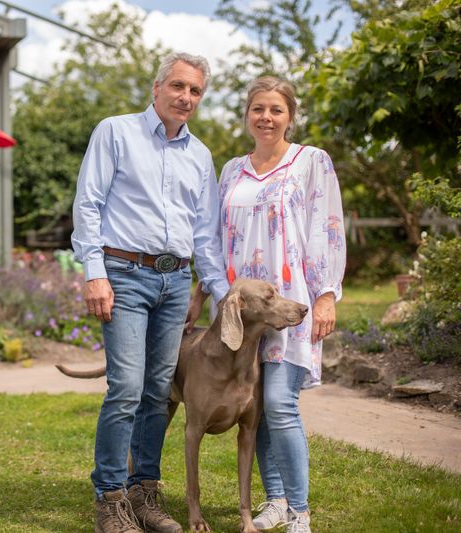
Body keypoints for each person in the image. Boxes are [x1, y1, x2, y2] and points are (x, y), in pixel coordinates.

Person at [71, 52, 229, 533]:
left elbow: (205, 235)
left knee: (158, 394)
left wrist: (222, 296)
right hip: (124, 274)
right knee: (125, 389)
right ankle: (110, 500)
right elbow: (89, 204)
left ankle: (144, 494)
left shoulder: (201, 156)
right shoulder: (115, 132)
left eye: (195, 91)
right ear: (156, 88)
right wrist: (95, 272)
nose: (186, 97)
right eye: (178, 86)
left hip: (175, 280)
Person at [216, 76, 346, 533]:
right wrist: (204, 290)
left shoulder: (311, 162)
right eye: (257, 109)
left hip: (289, 303)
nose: (266, 117)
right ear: (246, 115)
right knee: (257, 407)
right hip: (246, 313)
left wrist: (326, 292)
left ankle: (300, 513)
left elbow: (326, 229)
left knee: (279, 402)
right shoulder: (232, 169)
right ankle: (275, 500)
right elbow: (218, 237)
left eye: (275, 109)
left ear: (290, 115)